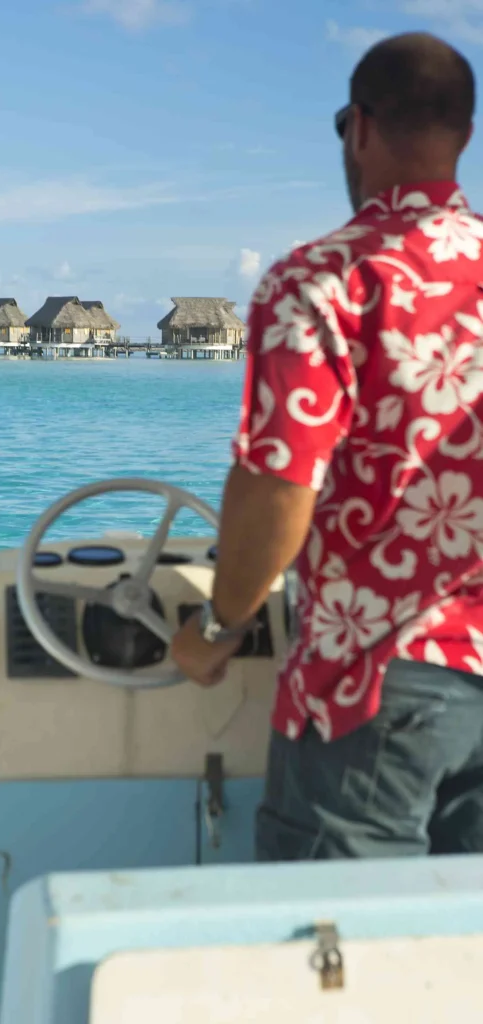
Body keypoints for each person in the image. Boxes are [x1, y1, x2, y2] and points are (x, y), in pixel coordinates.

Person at [171, 32, 483, 860]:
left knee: (335, 963)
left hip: (372, 682)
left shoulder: (320, 281)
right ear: (464, 132)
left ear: (358, 129)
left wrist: (217, 628)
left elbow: (280, 484)